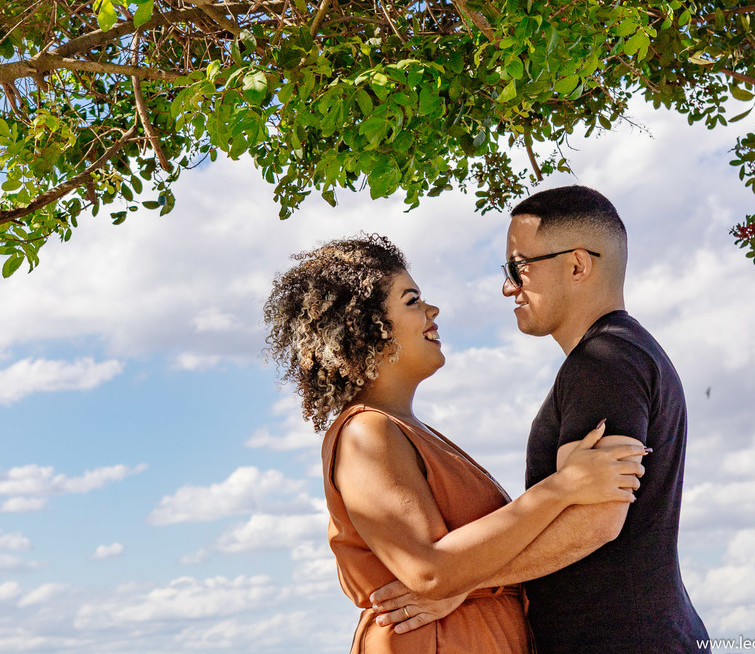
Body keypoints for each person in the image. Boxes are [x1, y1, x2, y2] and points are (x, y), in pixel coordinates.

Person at [263, 234, 648, 653]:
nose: (433, 310)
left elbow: (466, 562)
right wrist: (561, 487)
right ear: (365, 327)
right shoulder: (365, 433)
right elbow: (427, 572)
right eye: (412, 301)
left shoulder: (412, 432)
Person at [373, 186, 709, 652]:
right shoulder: (623, 354)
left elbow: (594, 522)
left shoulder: (605, 361)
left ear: (577, 265)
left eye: (519, 267)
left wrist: (461, 585)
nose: (508, 286)